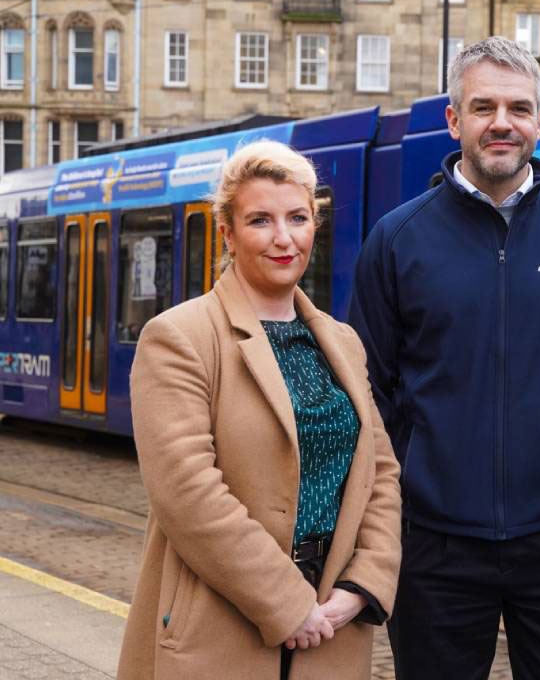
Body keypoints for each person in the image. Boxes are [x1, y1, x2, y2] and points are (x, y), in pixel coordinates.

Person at [349, 36, 540, 680]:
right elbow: (368, 391)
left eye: (519, 108)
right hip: (435, 545)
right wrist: (400, 512)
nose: (502, 123)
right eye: (483, 107)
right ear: (454, 120)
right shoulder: (397, 240)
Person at [117, 141, 401, 680]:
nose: (283, 238)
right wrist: (286, 603)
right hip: (223, 625)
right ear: (226, 231)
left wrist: (363, 585)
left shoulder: (342, 342)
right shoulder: (180, 336)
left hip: (332, 623)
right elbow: (187, 492)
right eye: (260, 220)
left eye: (298, 218)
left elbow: (380, 474)